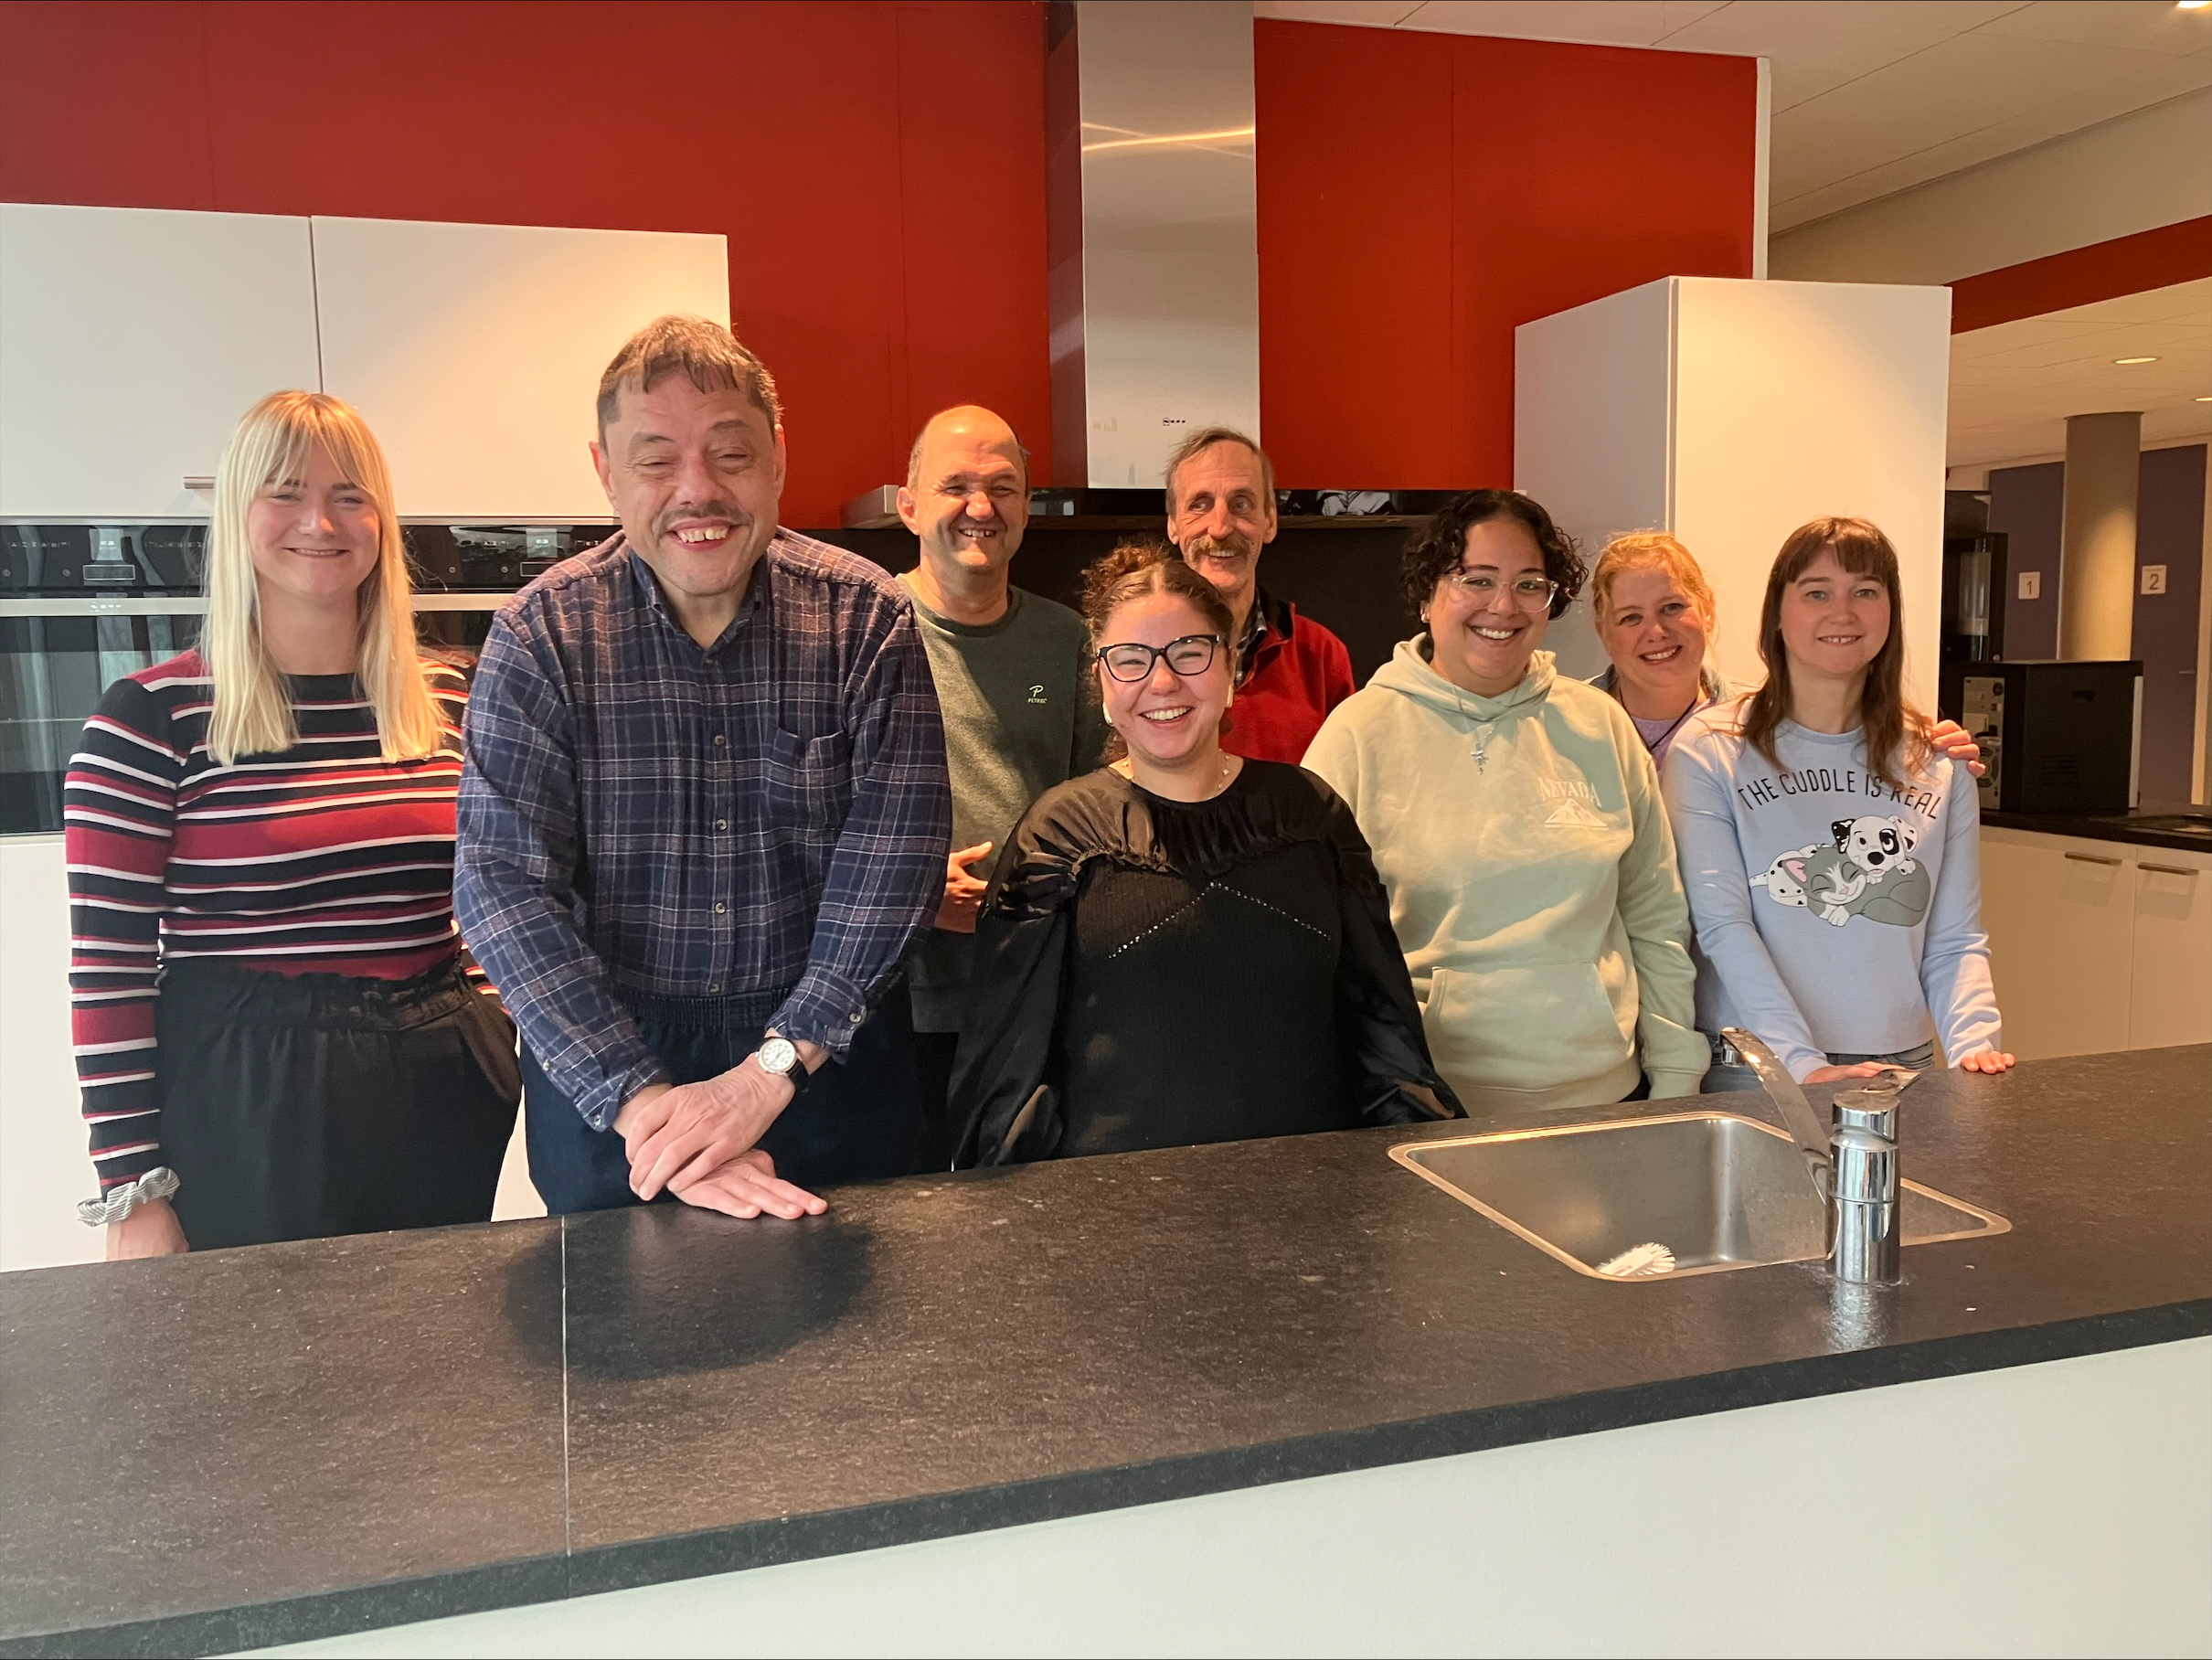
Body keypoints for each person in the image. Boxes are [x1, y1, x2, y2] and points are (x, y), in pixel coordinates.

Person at [454, 315, 952, 1221]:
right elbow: (502, 888)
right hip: (611, 1075)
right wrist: (648, 1109)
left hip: (824, 1064)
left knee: (853, 1313)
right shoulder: (540, 637)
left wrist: (766, 1074)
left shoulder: (866, 621)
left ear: (778, 459)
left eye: (731, 454)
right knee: (618, 1307)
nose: (698, 491)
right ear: (606, 472)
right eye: (656, 460)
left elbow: (895, 864)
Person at [63, 391, 518, 1258]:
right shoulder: (150, 719)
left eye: (350, 495)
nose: (320, 521)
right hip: (243, 1092)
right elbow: (107, 970)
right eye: (285, 492)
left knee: (433, 1331)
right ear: (239, 514)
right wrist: (131, 1190)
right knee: (259, 1341)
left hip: (439, 1081)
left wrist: (484, 1024)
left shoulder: (452, 698)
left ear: (382, 522)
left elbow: (493, 897)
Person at [952, 542, 1458, 1165]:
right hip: (1116, 1202)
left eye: (1189, 651)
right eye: (1130, 660)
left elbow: (1381, 1025)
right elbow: (1008, 1073)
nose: (1162, 681)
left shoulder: (1308, 815)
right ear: (1102, 682)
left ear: (1231, 665)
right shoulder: (1059, 838)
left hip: (1312, 1191)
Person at [1303, 490, 1708, 1114]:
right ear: (1427, 593)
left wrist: (1678, 1075)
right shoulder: (1357, 735)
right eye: (1478, 579)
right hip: (1432, 1108)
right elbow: (1321, 943)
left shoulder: (1599, 724)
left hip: (1605, 1096)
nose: (1504, 605)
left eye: (1529, 584)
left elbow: (1654, 918)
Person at [1664, 516, 2015, 1087]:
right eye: (1817, 593)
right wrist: (1802, 1062)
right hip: (1759, 1065)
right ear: (1777, 614)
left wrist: (1974, 1045)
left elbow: (1955, 937)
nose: (1843, 613)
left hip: (1901, 1062)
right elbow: (1724, 925)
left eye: (1866, 592)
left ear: (1891, 611)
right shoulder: (1711, 749)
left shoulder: (1937, 758)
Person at [893, 405, 1108, 1166]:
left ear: (1026, 507)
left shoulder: (1067, 639)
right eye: (955, 486)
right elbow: (809, 816)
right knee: (913, 1214)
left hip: (1037, 991)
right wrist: (915, 892)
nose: (980, 508)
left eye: (1002, 488)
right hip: (897, 1005)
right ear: (908, 505)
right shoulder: (863, 630)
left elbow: (1100, 806)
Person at [1590, 529, 1987, 778]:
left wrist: (1934, 753)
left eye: (1673, 607)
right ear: (1604, 632)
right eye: (1630, 618)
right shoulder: (1566, 728)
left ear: (1707, 610)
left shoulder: (1766, 725)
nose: (1656, 632)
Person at [1164, 427, 1354, 763]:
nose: (1220, 527)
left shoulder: (1321, 656)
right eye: (1200, 505)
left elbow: (1347, 782)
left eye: (1241, 504)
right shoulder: (1136, 658)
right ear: (1174, 525)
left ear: (1269, 521)